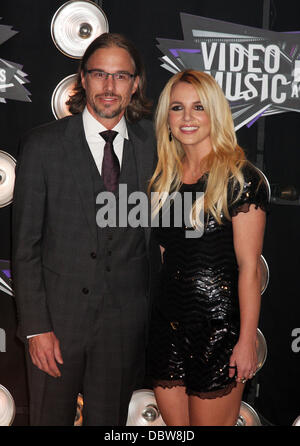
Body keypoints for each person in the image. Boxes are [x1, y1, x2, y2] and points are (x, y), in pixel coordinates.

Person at [12, 33, 158, 426]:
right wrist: (37, 328)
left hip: (123, 328)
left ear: (135, 83)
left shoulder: (155, 147)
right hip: (56, 325)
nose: (110, 87)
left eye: (121, 76)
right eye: (99, 75)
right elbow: (25, 246)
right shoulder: (43, 146)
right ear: (83, 78)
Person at [147, 69, 268, 426]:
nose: (187, 118)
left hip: (219, 329)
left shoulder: (241, 178)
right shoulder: (162, 180)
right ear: (166, 118)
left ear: (214, 114)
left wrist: (246, 340)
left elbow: (250, 268)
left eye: (198, 107)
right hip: (166, 327)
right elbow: (168, 258)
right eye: (177, 108)